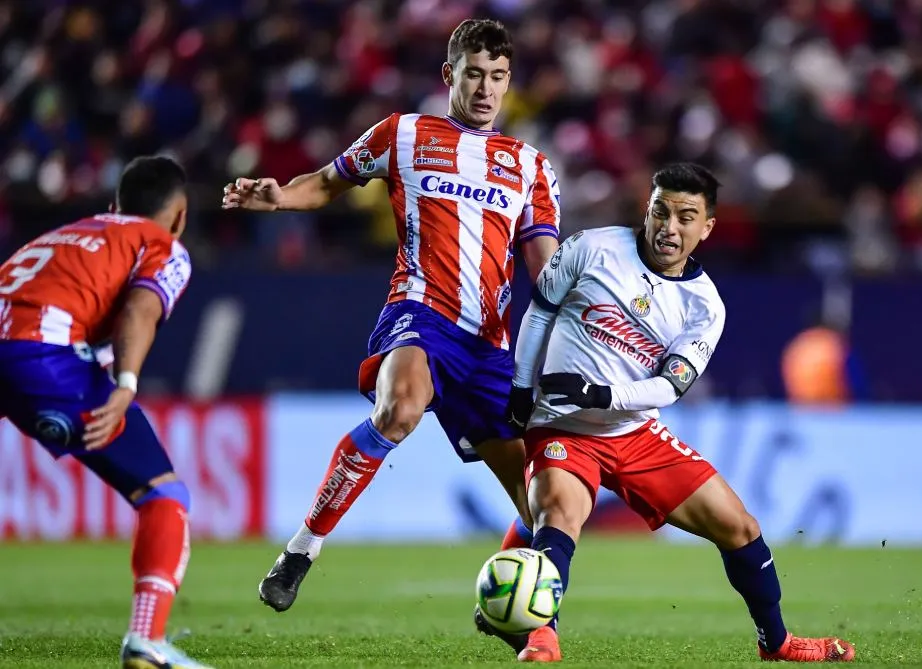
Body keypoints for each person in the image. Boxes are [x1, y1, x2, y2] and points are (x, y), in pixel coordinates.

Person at [222, 18, 559, 612]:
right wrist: (281, 197)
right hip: (420, 312)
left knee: (544, 505)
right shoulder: (403, 134)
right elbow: (325, 183)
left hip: (489, 347)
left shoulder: (530, 165)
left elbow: (547, 269)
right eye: (474, 74)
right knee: (399, 408)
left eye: (498, 76)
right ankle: (301, 549)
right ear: (450, 75)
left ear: (509, 82)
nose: (486, 88)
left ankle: (520, 620)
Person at [477, 163, 856, 663]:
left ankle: (777, 642)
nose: (669, 228)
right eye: (661, 212)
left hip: (635, 432)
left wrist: (600, 395)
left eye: (685, 217)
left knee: (740, 527)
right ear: (647, 209)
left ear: (707, 227)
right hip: (563, 426)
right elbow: (540, 311)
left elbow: (669, 386)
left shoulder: (705, 306)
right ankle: (540, 636)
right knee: (558, 513)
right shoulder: (591, 247)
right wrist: (523, 388)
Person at [0, 156, 210, 669]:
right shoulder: (161, 244)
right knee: (162, 494)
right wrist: (127, 384)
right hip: (40, 355)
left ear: (114, 205)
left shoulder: (66, 234)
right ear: (180, 215)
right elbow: (141, 309)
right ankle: (147, 641)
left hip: (20, 340)